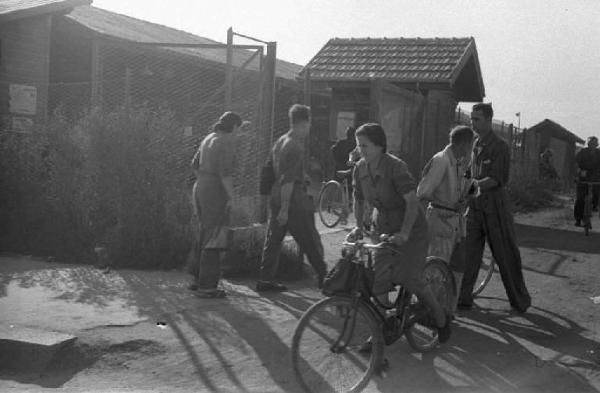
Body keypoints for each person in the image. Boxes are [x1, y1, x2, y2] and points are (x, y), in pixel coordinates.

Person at [350, 123, 451, 343]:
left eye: (364, 146)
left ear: (379, 146)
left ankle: (441, 317)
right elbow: (357, 198)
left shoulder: (395, 167)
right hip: (383, 228)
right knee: (379, 279)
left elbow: (412, 202)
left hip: (411, 228)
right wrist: (358, 226)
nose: (361, 150)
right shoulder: (360, 169)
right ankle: (379, 332)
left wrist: (404, 233)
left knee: (410, 278)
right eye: (359, 146)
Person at [458, 103, 531, 313]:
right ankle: (463, 297)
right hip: (474, 206)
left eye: (477, 119)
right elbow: (469, 172)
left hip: (494, 206)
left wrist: (472, 185)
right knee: (469, 253)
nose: (473, 123)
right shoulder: (474, 144)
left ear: (489, 120)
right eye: (472, 119)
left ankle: (519, 301)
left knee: (504, 254)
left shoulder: (500, 146)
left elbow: (498, 179)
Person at [256, 104, 327, 292]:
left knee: (273, 240)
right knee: (309, 238)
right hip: (292, 198)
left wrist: (301, 176)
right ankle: (324, 276)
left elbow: (275, 169)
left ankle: (265, 279)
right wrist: (286, 208)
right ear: (305, 123)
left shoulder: (281, 141)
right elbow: (288, 180)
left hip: (275, 193)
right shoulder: (296, 145)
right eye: (308, 123)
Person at [417, 125, 475, 314]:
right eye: (471, 144)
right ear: (466, 144)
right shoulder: (441, 161)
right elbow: (423, 193)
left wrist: (466, 198)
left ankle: (448, 311)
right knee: (436, 269)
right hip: (440, 220)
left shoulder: (459, 162)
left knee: (457, 268)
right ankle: (429, 311)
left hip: (457, 222)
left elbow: (469, 186)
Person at [188, 111, 242, 298]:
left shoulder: (209, 138)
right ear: (234, 126)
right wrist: (232, 198)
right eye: (239, 129)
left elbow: (194, 165)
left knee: (204, 232)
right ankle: (207, 286)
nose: (238, 133)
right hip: (214, 190)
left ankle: (196, 278)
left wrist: (204, 182)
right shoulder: (226, 142)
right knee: (215, 236)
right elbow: (225, 174)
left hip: (200, 186)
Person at [574, 136, 600, 225]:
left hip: (596, 176)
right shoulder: (582, 152)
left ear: (597, 145)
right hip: (583, 175)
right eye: (591, 144)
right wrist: (577, 175)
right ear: (588, 144)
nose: (592, 145)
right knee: (580, 199)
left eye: (594, 144)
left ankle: (595, 205)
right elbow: (576, 163)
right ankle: (578, 219)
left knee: (597, 192)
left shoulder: (599, 153)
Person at [330, 126, 357, 207]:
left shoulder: (341, 142)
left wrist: (337, 161)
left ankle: (331, 201)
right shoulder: (354, 144)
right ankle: (348, 201)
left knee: (336, 184)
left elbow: (333, 149)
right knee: (351, 184)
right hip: (346, 168)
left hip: (340, 167)